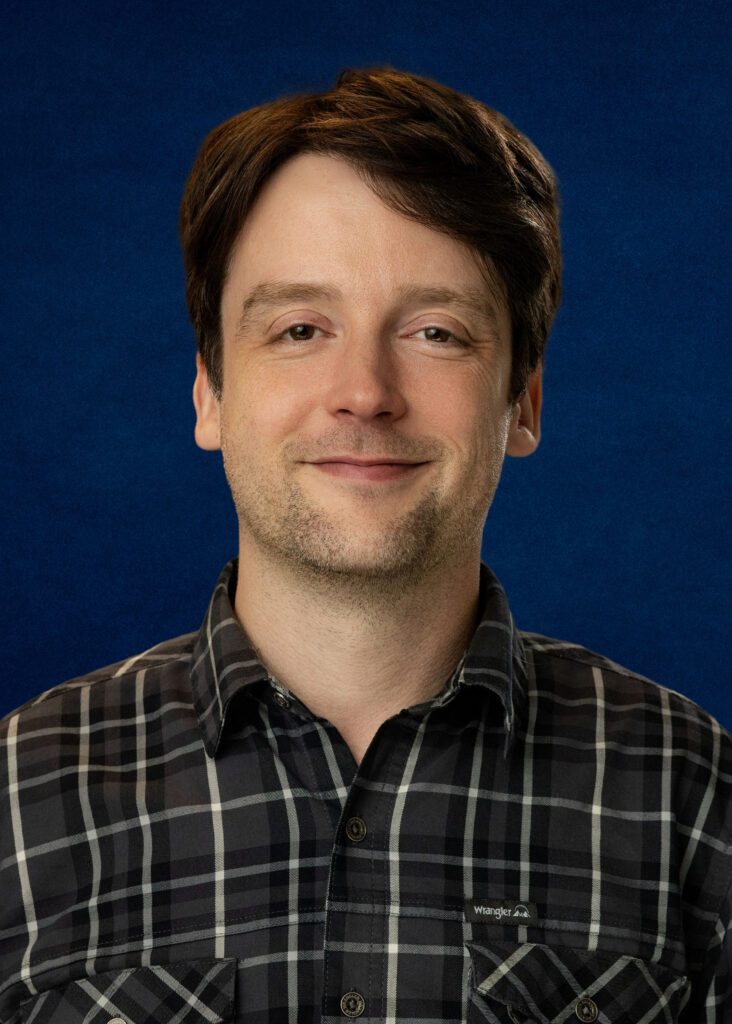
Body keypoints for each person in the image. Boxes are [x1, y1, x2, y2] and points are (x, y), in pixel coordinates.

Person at [0, 66, 729, 1024]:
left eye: (435, 331)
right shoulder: (16, 801)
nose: (364, 390)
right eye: (300, 328)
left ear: (524, 401)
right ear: (210, 393)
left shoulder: (694, 796)